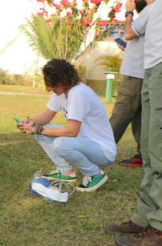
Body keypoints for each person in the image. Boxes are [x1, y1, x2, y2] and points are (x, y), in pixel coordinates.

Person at [109, 0, 162, 246]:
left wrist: (130, 10)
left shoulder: (144, 7)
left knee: (158, 149)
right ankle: (145, 217)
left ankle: (158, 226)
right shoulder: (151, 10)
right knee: (151, 147)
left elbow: (130, 30)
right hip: (152, 71)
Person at [17, 59, 116, 192]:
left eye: (52, 84)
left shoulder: (77, 92)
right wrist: (30, 123)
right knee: (40, 128)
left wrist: (38, 129)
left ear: (62, 80)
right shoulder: (63, 91)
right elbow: (47, 115)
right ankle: (65, 172)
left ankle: (94, 174)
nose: (50, 88)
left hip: (103, 151)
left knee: (60, 143)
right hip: (85, 143)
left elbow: (71, 132)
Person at [109, 0, 159, 167]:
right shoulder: (154, 11)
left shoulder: (149, 10)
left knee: (121, 113)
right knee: (140, 117)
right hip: (143, 72)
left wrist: (128, 13)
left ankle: (100, 150)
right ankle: (142, 154)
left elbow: (129, 33)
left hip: (136, 75)